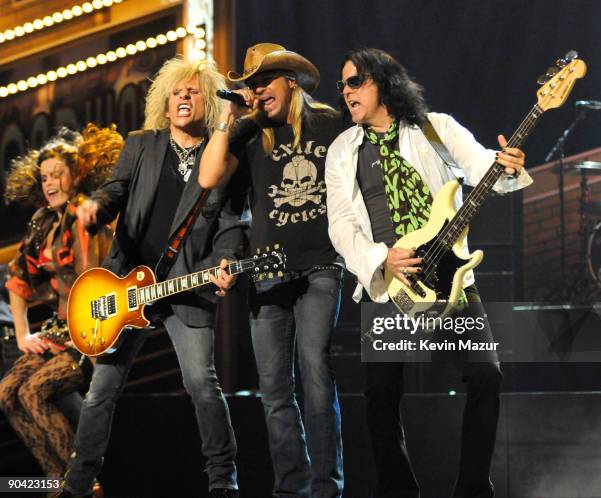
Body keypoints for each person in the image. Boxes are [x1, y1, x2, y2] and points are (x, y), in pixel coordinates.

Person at [325, 48, 532, 498]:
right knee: (381, 394)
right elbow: (340, 224)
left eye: (355, 81)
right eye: (342, 85)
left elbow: (484, 170)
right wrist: (382, 258)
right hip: (390, 285)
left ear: (383, 82)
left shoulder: (435, 127)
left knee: (486, 376)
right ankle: (398, 491)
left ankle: (473, 489)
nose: (346, 91)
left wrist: (510, 168)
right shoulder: (343, 151)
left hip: (453, 275)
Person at [57, 58, 245, 498]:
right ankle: (78, 484)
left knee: (201, 382)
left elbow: (233, 221)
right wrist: (95, 209)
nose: (184, 97)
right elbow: (115, 190)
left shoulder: (221, 155)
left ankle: (223, 481)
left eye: (194, 91)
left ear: (209, 104)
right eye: (177, 91)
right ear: (164, 102)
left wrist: (226, 259)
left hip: (185, 283)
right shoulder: (142, 144)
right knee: (102, 389)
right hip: (125, 285)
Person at [199, 43, 345, 498]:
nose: (258, 90)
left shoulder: (331, 125)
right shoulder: (246, 134)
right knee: (274, 389)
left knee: (315, 371)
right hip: (267, 273)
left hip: (321, 265)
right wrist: (229, 119)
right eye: (252, 83)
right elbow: (210, 182)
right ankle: (291, 490)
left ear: (291, 81)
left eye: (265, 80)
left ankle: (326, 488)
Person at [0, 124, 122, 492]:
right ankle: (57, 484)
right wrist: (23, 334)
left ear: (76, 174)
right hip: (58, 330)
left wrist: (91, 210)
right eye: (44, 176)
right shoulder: (41, 223)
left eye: (58, 174)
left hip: (95, 328)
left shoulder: (88, 212)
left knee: (34, 391)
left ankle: (83, 483)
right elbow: (18, 279)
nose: (50, 182)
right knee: (7, 392)